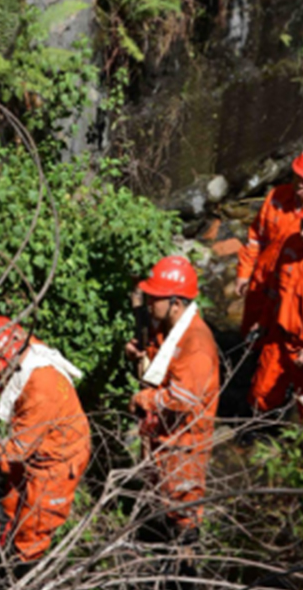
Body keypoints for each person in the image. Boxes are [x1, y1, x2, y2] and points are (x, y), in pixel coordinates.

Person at [0, 316, 90, 565]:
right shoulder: (22, 348)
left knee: (34, 527)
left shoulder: (40, 387)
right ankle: (3, 549)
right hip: (33, 442)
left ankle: (23, 569)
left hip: (58, 460)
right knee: (11, 505)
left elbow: (18, 449)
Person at [125, 256, 219, 540]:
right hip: (164, 433)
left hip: (184, 441)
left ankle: (183, 568)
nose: (150, 303)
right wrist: (138, 353)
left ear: (176, 304)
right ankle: (163, 540)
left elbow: (183, 399)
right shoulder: (169, 329)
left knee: (183, 507)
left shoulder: (196, 344)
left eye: (155, 298)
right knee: (162, 494)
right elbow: (162, 359)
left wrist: (144, 400)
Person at [235, 152, 303, 337]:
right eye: (297, 177)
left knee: (279, 343)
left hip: (290, 293)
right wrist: (244, 272)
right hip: (261, 282)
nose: (300, 184)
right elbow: (256, 237)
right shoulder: (277, 197)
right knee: (250, 336)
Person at [247, 218, 303, 417]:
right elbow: (275, 290)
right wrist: (263, 321)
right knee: (261, 393)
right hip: (279, 335)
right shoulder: (292, 245)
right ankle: (259, 433)